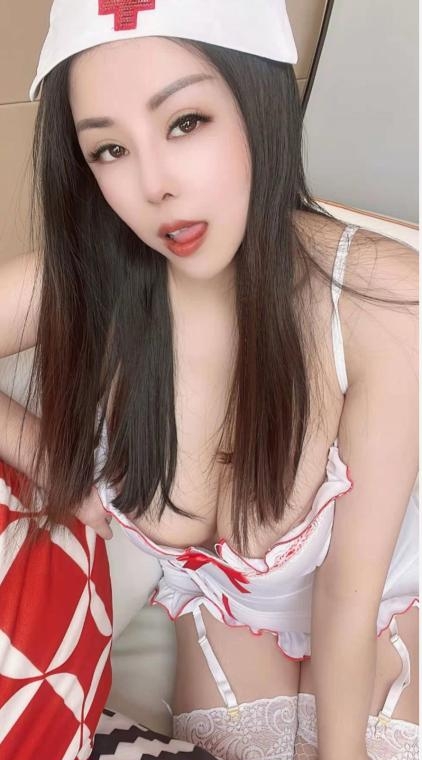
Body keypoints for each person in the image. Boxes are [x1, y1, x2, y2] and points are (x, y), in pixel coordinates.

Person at [0, 2, 418, 759]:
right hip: (226, 614)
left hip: (380, 604)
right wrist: (44, 455)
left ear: (257, 102)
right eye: (109, 149)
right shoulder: (89, 282)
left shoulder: (377, 299)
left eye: (186, 122)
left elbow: (348, 594)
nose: (153, 186)